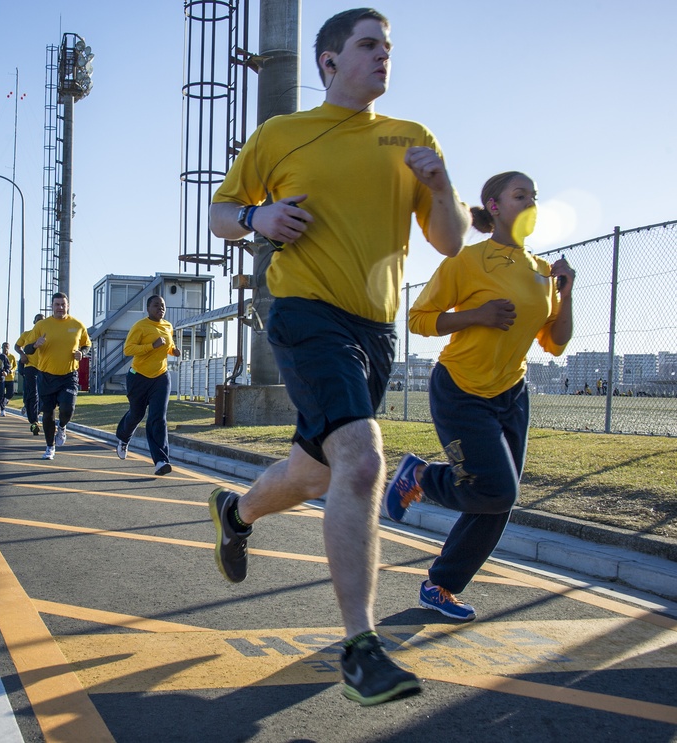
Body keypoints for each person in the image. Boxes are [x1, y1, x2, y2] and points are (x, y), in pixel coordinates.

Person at [206, 7, 469, 706]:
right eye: (368, 45)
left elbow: (449, 241)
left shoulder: (409, 138)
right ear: (328, 62)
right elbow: (222, 210)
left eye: (388, 46)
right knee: (362, 457)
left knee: (314, 469)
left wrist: (441, 187)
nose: (384, 56)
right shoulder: (281, 134)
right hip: (303, 312)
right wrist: (257, 218)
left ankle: (235, 514)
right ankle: (360, 646)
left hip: (375, 330)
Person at [384, 171, 574, 622]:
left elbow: (557, 343)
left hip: (512, 393)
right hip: (461, 388)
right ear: (493, 205)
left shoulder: (542, 271)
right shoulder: (468, 261)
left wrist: (565, 292)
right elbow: (419, 318)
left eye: (534, 195)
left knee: (499, 499)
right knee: (497, 489)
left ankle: (441, 586)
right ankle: (423, 477)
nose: (531, 201)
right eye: (520, 194)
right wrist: (478, 315)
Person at [115, 295, 182, 475]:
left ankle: (161, 461)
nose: (160, 308)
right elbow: (128, 349)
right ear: (148, 308)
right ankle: (123, 437)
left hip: (161, 377)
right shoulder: (140, 326)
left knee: (158, 417)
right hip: (138, 376)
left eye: (162, 305)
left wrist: (173, 351)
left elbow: (168, 345)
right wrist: (151, 346)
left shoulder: (168, 326)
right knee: (137, 414)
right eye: (156, 305)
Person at [21, 293, 90, 460]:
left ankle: (63, 425)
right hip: (46, 376)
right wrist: (35, 344)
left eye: (63, 304)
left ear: (68, 306)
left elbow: (87, 344)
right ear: (52, 306)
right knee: (48, 414)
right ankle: (49, 447)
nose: (60, 307)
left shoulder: (77, 325)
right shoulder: (42, 325)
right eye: (57, 304)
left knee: (68, 408)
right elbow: (27, 348)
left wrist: (82, 353)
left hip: (68, 375)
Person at [15, 313, 46, 436]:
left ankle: (37, 413)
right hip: (30, 367)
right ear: (34, 322)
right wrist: (22, 354)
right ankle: (34, 422)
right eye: (37, 320)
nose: (39, 322)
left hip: (45, 368)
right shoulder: (27, 334)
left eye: (42, 320)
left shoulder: (47, 335)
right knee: (33, 394)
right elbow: (17, 346)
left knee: (44, 394)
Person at [1, 342, 18, 414]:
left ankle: (5, 400)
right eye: (4, 346)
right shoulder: (0, 356)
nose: (5, 348)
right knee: (1, 394)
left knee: (10, 394)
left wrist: (12, 370)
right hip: (2, 378)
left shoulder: (12, 357)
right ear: (1, 348)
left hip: (10, 378)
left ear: (9, 348)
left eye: (7, 347)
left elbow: (15, 366)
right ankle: (2, 410)